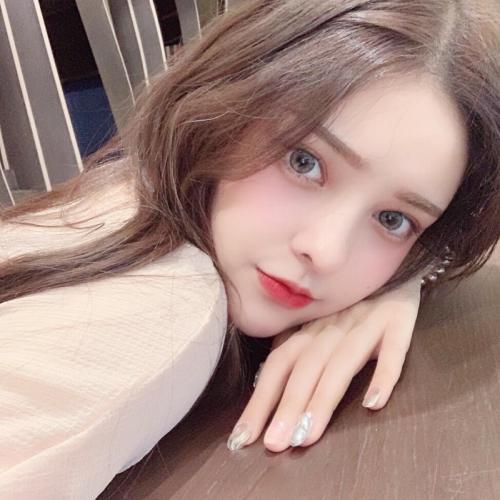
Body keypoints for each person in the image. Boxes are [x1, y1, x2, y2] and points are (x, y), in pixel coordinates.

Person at [0, 0, 498, 497]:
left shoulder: (138, 196)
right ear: (223, 108)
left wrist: (404, 280)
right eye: (304, 163)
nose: (325, 251)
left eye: (393, 220)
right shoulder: (165, 307)